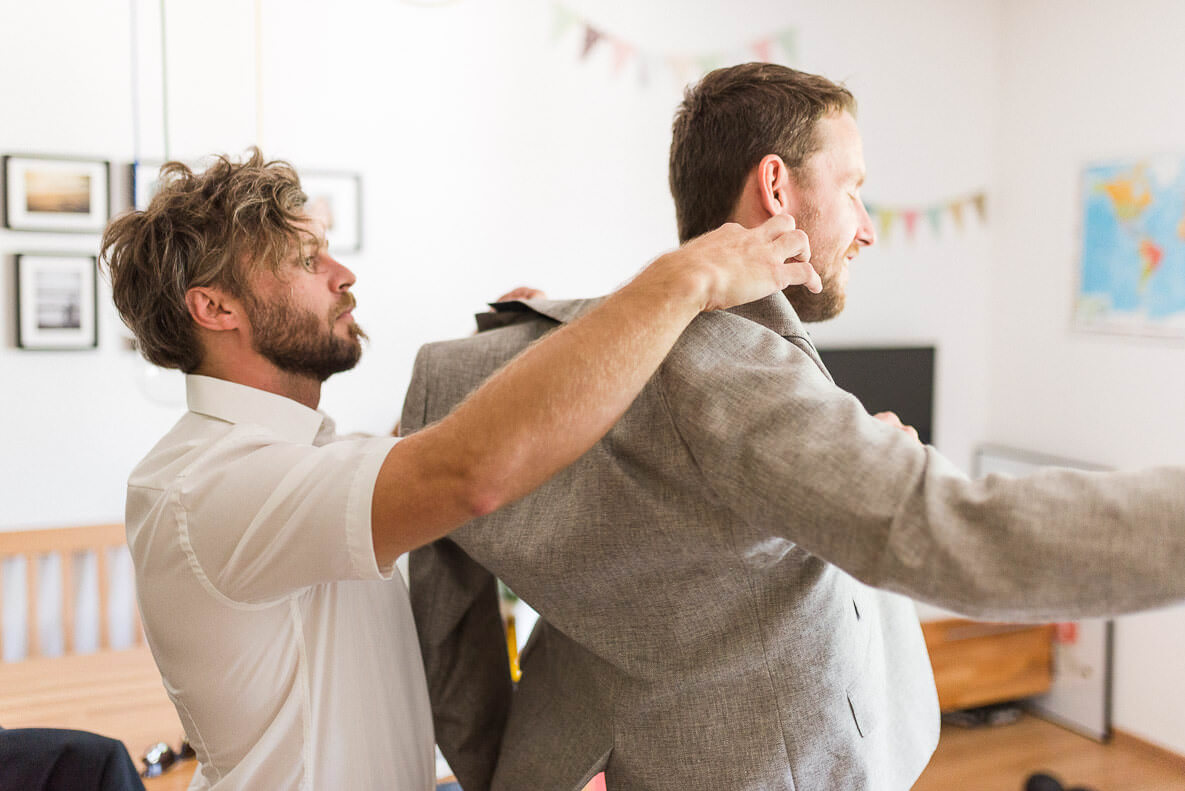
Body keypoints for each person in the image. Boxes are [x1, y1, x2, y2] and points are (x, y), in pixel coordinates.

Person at [403, 63, 1185, 791]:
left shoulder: (477, 365)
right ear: (775, 187)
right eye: (854, 189)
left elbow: (448, 627)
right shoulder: (736, 376)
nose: (867, 228)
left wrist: (500, 767)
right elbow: (956, 532)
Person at [99, 148, 819, 791]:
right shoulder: (210, 486)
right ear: (214, 306)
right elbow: (467, 469)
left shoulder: (300, 459)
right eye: (303, 259)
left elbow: (436, 444)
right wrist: (683, 281)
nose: (343, 274)